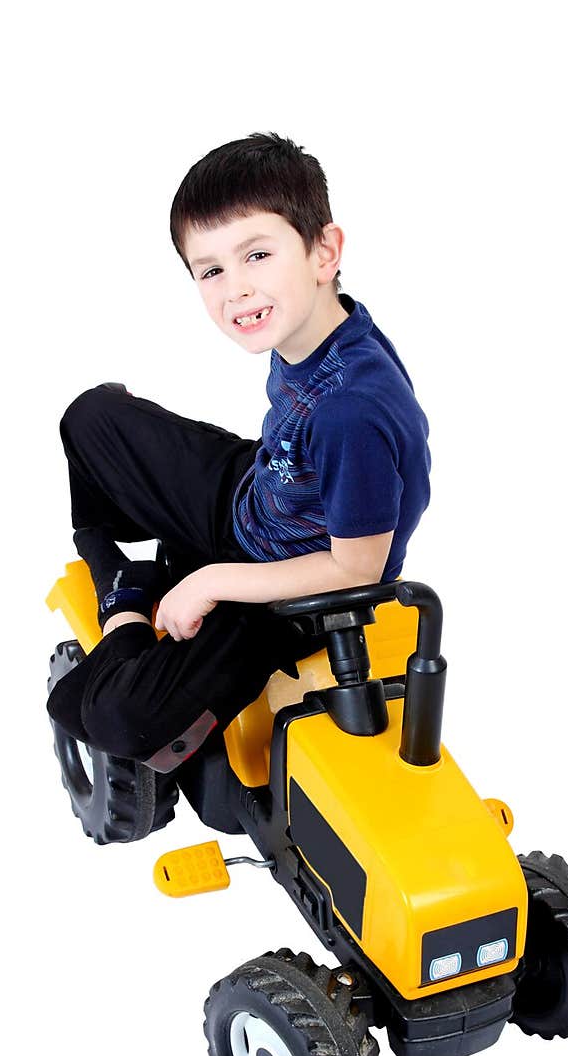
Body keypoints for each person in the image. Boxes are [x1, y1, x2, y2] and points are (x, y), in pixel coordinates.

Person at [47, 132, 431, 773]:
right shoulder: (320, 323)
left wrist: (213, 581)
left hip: (292, 599)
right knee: (90, 419)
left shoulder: (349, 411)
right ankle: (123, 558)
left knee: (111, 717)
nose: (236, 289)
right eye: (212, 270)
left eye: (257, 254)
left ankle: (125, 609)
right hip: (261, 491)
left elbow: (358, 571)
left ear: (324, 251)